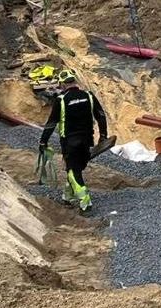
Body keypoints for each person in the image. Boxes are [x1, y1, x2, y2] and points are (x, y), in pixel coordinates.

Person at [38, 69, 108, 213]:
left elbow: (51, 123)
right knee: (76, 168)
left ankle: (85, 200)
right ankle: (67, 196)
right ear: (75, 81)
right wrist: (103, 136)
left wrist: (43, 141)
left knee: (72, 170)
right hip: (87, 140)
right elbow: (101, 115)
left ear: (63, 84)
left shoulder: (61, 100)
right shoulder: (88, 96)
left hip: (70, 142)